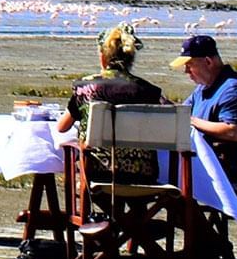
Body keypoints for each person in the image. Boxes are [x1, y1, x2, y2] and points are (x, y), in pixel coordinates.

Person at [56, 21, 165, 184]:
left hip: (98, 171)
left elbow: (62, 127)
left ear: (103, 56)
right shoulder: (149, 91)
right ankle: (137, 210)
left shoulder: (85, 87)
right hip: (143, 174)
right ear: (131, 58)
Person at [170, 34, 237, 200]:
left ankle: (196, 225)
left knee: (174, 182)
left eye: (189, 65)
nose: (186, 71)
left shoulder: (233, 89)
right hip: (208, 163)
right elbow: (181, 113)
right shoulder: (202, 89)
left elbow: (232, 131)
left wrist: (192, 120)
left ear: (208, 62)